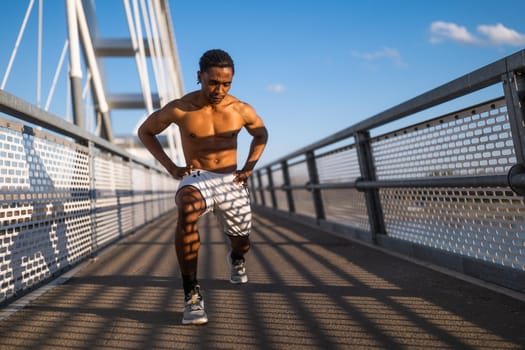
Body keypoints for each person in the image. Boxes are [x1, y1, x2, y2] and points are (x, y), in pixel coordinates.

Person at [138, 49, 268, 325]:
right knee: (186, 207)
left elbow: (260, 134)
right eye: (213, 82)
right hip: (197, 176)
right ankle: (191, 294)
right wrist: (171, 167)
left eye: (226, 83)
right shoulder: (180, 108)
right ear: (200, 77)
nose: (219, 89)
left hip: (231, 179)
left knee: (242, 242)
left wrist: (249, 167)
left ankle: (236, 257)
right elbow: (145, 132)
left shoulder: (240, 109)